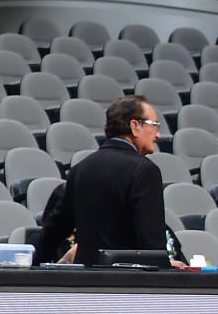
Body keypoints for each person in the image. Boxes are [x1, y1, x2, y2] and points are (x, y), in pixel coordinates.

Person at [35, 95, 167, 267]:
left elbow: (54, 231)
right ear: (135, 126)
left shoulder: (80, 169)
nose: (158, 134)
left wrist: (33, 266)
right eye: (154, 125)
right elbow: (152, 244)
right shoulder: (144, 171)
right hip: (128, 285)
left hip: (87, 284)